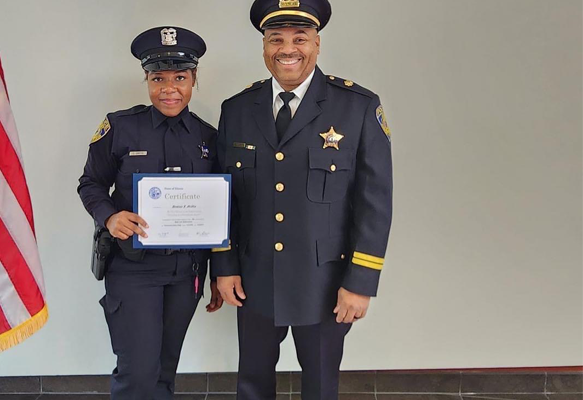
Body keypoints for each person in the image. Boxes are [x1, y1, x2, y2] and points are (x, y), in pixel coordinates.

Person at [211, 1, 393, 399]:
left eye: (300, 38)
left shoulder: (357, 107)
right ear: (264, 47)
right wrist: (224, 266)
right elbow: (224, 199)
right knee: (253, 384)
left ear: (317, 44)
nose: (287, 49)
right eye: (276, 39)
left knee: (321, 385)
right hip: (255, 277)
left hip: (325, 281)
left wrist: (360, 282)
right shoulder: (238, 109)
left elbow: (374, 204)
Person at [77, 26, 223, 399]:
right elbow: (91, 183)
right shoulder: (120, 127)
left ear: (194, 80)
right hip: (133, 268)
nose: (169, 88)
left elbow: (221, 206)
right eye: (158, 78)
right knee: (137, 373)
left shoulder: (208, 137)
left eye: (180, 78)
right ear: (146, 78)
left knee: (163, 371)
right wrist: (110, 216)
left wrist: (218, 272)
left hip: (186, 272)